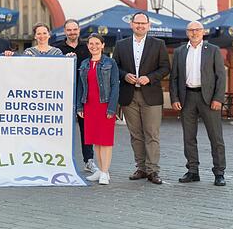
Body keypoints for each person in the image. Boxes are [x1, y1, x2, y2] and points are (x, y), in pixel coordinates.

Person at [112, 12, 170, 184]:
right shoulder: (121, 45)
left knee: (152, 133)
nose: (140, 26)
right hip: (129, 95)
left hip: (150, 94)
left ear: (149, 25)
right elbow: (115, 66)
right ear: (131, 24)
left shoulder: (158, 44)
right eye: (137, 23)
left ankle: (153, 170)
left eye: (143, 23)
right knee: (136, 134)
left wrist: (150, 78)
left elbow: (165, 67)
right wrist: (124, 76)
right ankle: (141, 168)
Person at [169, 21, 227, 186]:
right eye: (191, 30)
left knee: (216, 137)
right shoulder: (180, 52)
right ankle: (193, 171)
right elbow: (174, 77)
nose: (194, 33)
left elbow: (221, 77)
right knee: (189, 137)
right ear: (187, 33)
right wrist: (174, 98)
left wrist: (218, 98)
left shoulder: (213, 50)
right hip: (187, 98)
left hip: (208, 99)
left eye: (197, 30)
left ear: (203, 32)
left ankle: (219, 172)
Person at [77, 34, 120, 185]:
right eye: (91, 44)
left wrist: (112, 108)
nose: (93, 46)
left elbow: (115, 85)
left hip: (105, 105)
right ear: (88, 46)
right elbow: (81, 86)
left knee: (105, 141)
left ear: (102, 45)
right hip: (89, 105)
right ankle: (101, 170)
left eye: (97, 43)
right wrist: (79, 105)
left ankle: (105, 171)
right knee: (95, 140)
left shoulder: (110, 62)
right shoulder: (84, 64)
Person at [56, 19, 97, 174]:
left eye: (75, 29)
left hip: (85, 94)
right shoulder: (58, 47)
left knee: (86, 128)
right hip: (64, 93)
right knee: (61, 127)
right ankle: (60, 158)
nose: (72, 32)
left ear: (79, 30)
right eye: (69, 30)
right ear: (65, 31)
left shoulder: (88, 46)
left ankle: (89, 160)